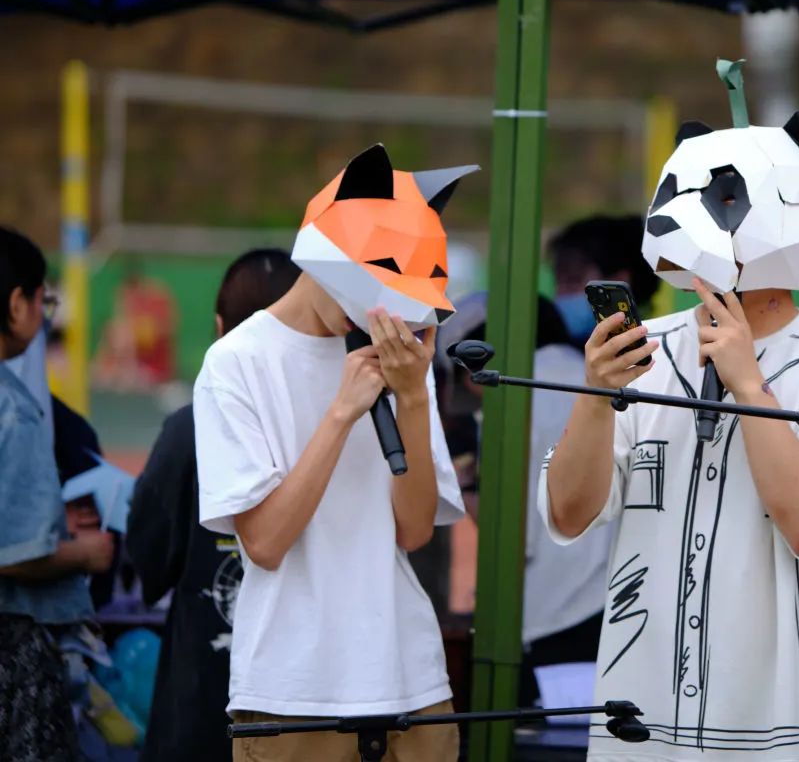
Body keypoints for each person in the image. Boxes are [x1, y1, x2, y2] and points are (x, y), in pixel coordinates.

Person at [540, 99, 799, 760]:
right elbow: (567, 514)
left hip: (782, 731)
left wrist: (748, 384)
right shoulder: (640, 352)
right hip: (639, 728)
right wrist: (595, 397)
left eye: (724, 198)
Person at [194, 151, 467, 762]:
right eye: (359, 298)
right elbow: (264, 543)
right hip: (294, 692)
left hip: (410, 681)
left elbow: (414, 530)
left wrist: (412, 399)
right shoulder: (237, 363)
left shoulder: (401, 357)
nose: (372, 318)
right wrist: (342, 413)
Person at [127, 249, 301, 762]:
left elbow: (148, 556)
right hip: (303, 700)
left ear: (220, 328)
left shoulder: (187, 429)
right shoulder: (337, 421)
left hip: (200, 699)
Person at [437, 293, 613, 705]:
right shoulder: (595, 378)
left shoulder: (512, 398)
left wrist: (466, 489)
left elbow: (511, 533)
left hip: (553, 618)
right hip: (614, 606)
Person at [0, 226, 115, 761]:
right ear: (15, 304)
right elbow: (16, 553)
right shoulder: (14, 410)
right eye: (41, 300)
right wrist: (86, 552)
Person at [548, 215, 660, 347]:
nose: (560, 293)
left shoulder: (654, 353)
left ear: (617, 284)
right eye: (558, 281)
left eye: (573, 281)